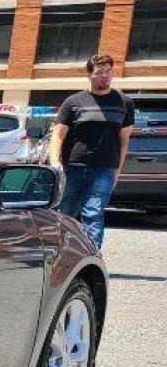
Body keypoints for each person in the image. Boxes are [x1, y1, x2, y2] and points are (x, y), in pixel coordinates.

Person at [48, 53, 134, 248]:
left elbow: (124, 142)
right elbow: (58, 135)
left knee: (93, 214)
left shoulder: (124, 103)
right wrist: (55, 162)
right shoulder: (73, 101)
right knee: (65, 214)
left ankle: (91, 259)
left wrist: (116, 172)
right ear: (89, 75)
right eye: (99, 72)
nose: (105, 76)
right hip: (73, 168)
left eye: (108, 72)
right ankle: (60, 254)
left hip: (104, 170)